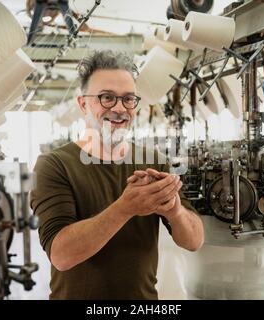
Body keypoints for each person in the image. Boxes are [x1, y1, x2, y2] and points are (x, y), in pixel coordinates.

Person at [30, 50, 204, 300]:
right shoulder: (54, 165)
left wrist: (175, 211)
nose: (120, 109)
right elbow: (61, 255)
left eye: (128, 99)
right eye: (107, 98)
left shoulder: (154, 162)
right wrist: (125, 208)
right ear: (83, 104)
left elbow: (194, 241)